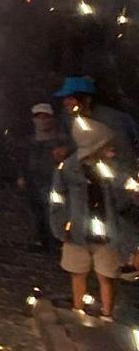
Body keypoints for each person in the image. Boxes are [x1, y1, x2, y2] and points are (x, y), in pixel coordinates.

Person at [51, 109, 137, 320]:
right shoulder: (68, 169)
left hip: (106, 233)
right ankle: (78, 308)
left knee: (106, 274)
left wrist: (131, 191)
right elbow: (57, 198)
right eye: (107, 146)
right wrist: (61, 225)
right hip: (77, 231)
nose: (112, 151)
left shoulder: (110, 170)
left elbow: (122, 193)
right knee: (77, 272)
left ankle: (106, 313)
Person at [20, 101, 67, 250]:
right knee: (36, 210)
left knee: (53, 210)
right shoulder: (30, 140)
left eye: (46, 117)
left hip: (53, 178)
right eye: (39, 117)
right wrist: (21, 175)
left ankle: (56, 239)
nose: (42, 121)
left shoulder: (60, 139)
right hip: (33, 178)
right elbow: (23, 159)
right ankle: (41, 239)